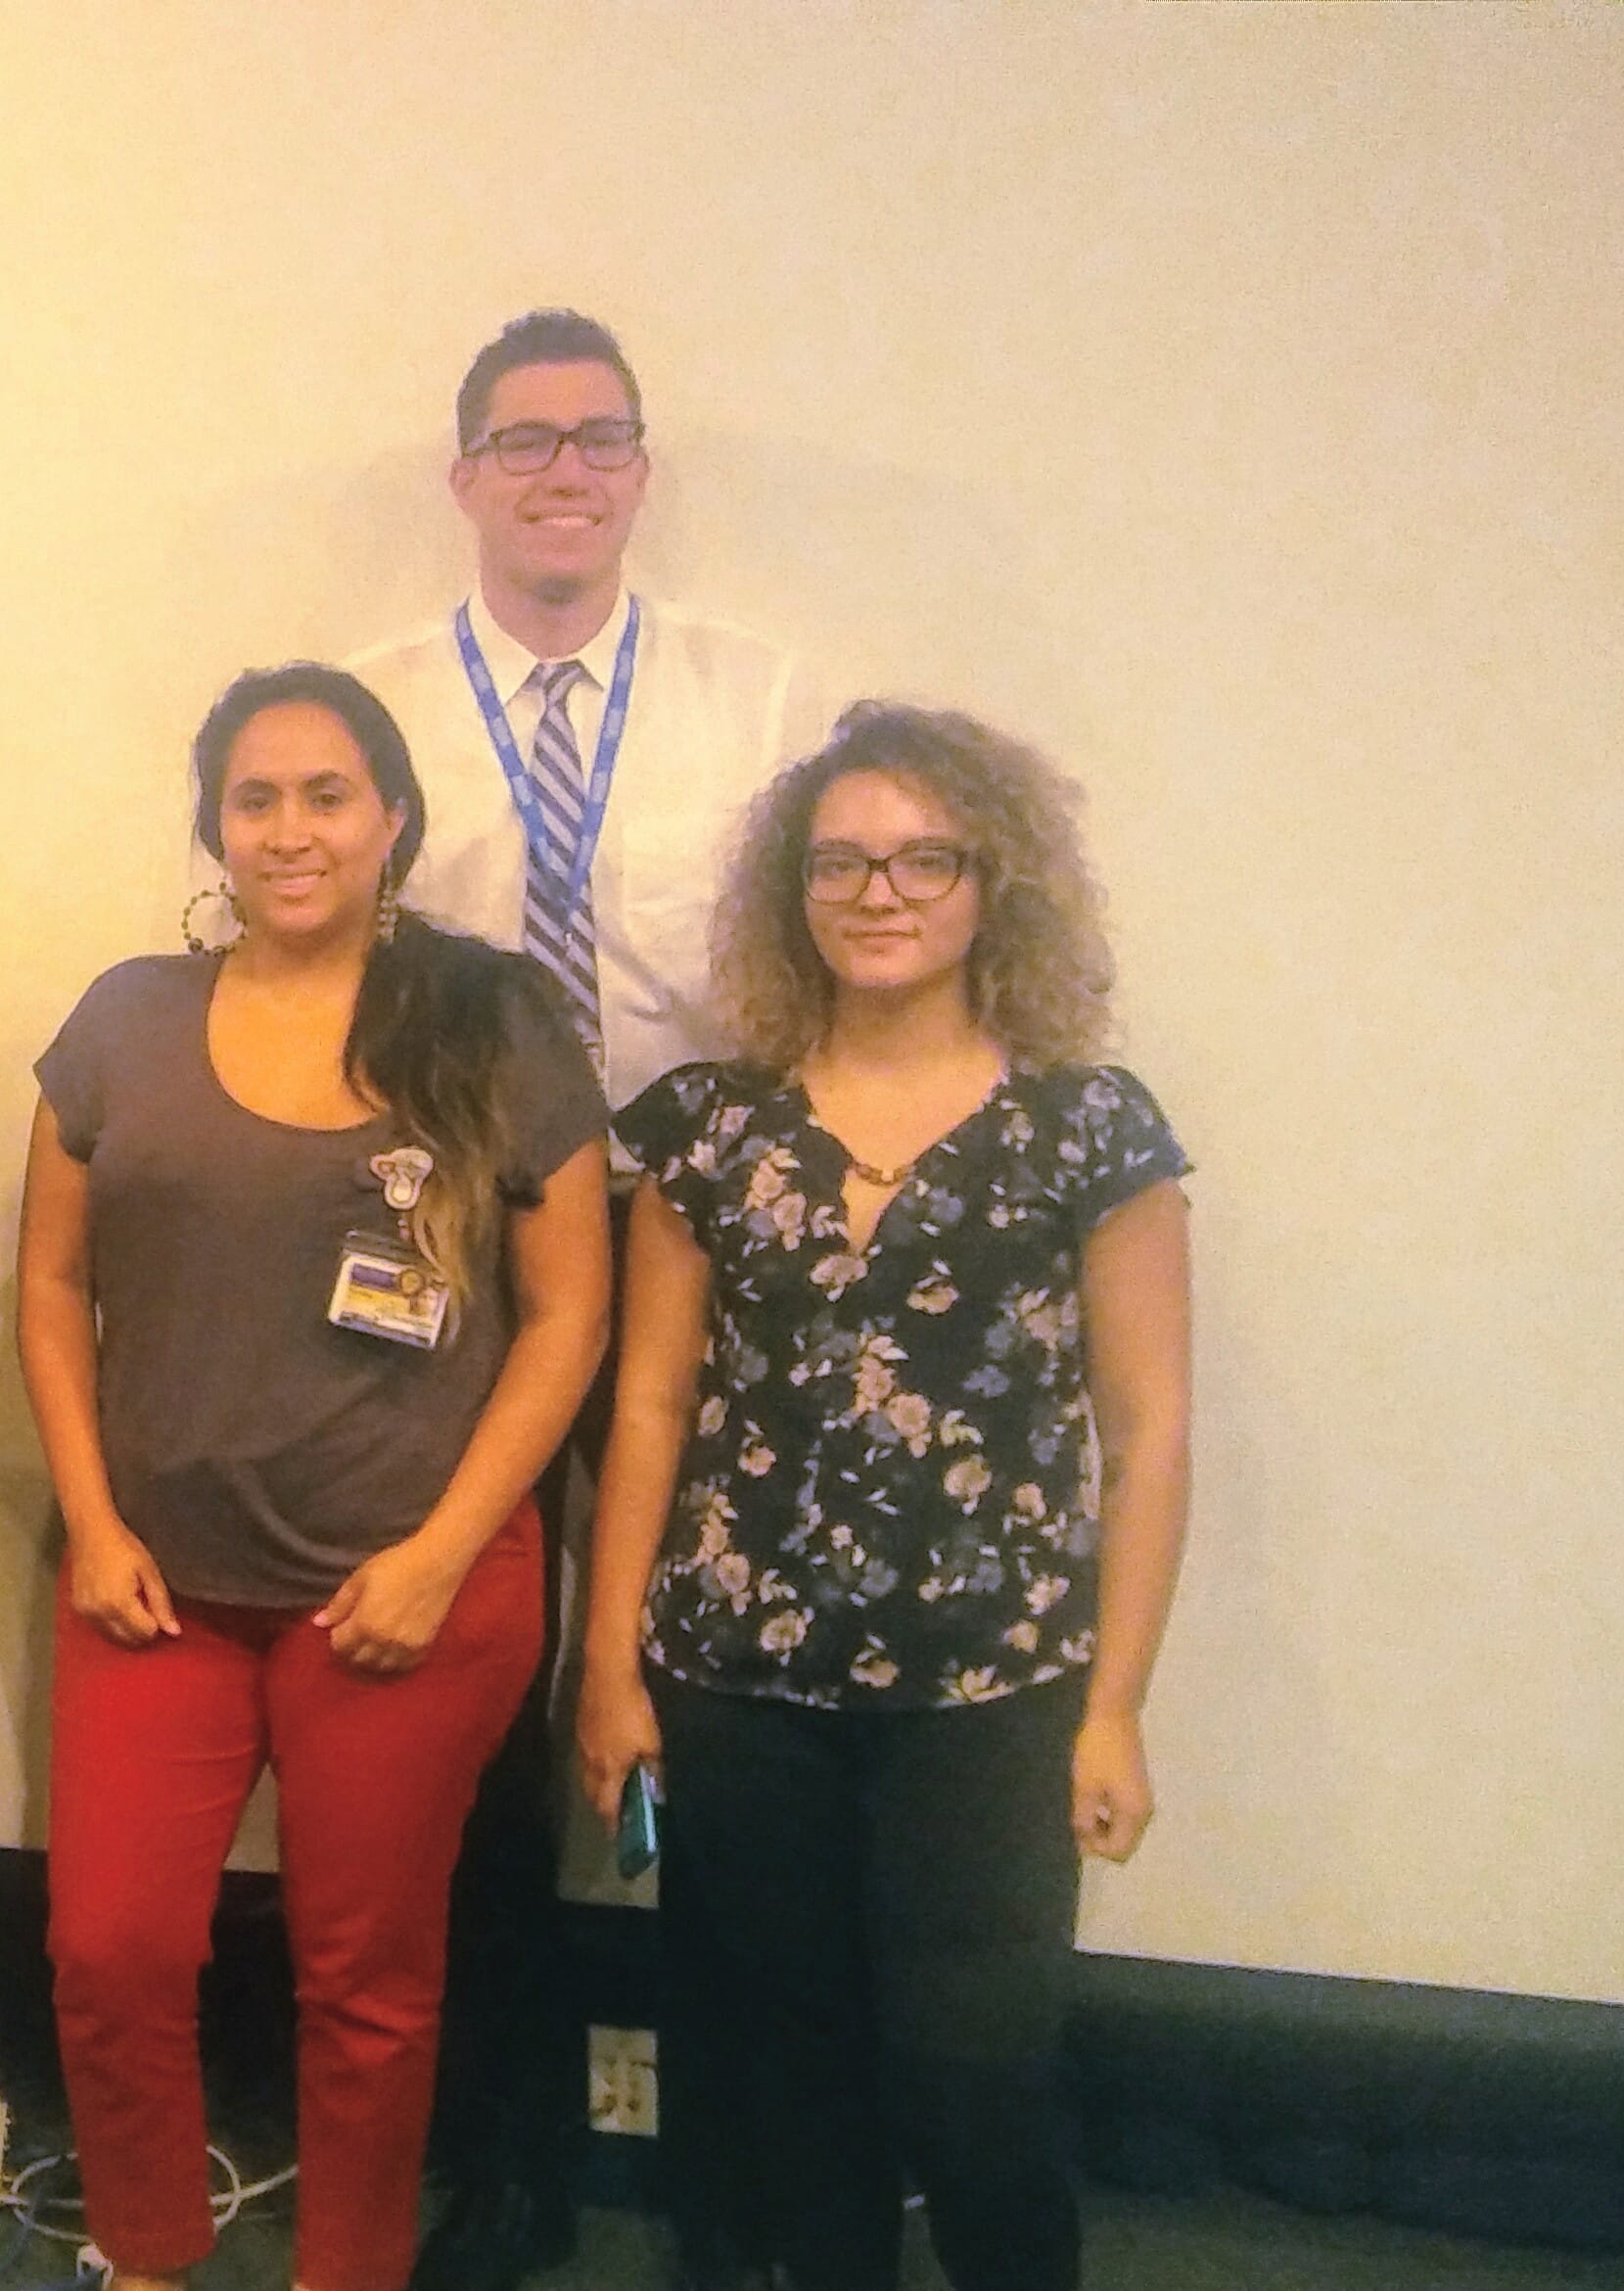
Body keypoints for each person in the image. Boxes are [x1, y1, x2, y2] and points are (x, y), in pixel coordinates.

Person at [578, 704, 1192, 2291]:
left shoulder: (1084, 1125)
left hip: (995, 1690)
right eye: (843, 860)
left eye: (927, 857)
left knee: (976, 2077)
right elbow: (649, 1403)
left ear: (996, 883)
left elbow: (1151, 1426)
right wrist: (608, 1666)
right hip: (739, 1684)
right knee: (797, 2083)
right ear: (797, 889)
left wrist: (1115, 1705)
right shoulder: (712, 1128)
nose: (882, 890)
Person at [21, 664, 612, 2291]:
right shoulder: (126, 1017)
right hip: (157, 1589)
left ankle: (345, 2273)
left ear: (394, 819)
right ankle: (147, 2259)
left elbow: (570, 1316)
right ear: (215, 823)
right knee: (110, 1952)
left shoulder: (488, 1021)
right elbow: (52, 1288)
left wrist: (442, 1554)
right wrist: (87, 1514)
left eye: (328, 794)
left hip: (405, 1594)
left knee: (367, 1981)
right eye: (256, 798)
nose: (291, 830)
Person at [343, 307, 807, 2290]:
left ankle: (733, 2145)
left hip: (698, 1235)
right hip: (453, 1242)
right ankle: (496, 2151)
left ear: (637, 470)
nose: (561, 472)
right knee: (471, 1710)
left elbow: (819, 977)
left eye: (597, 440)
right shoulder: (364, 715)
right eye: (522, 442)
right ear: (461, 477)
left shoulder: (760, 700)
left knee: (696, 1691)